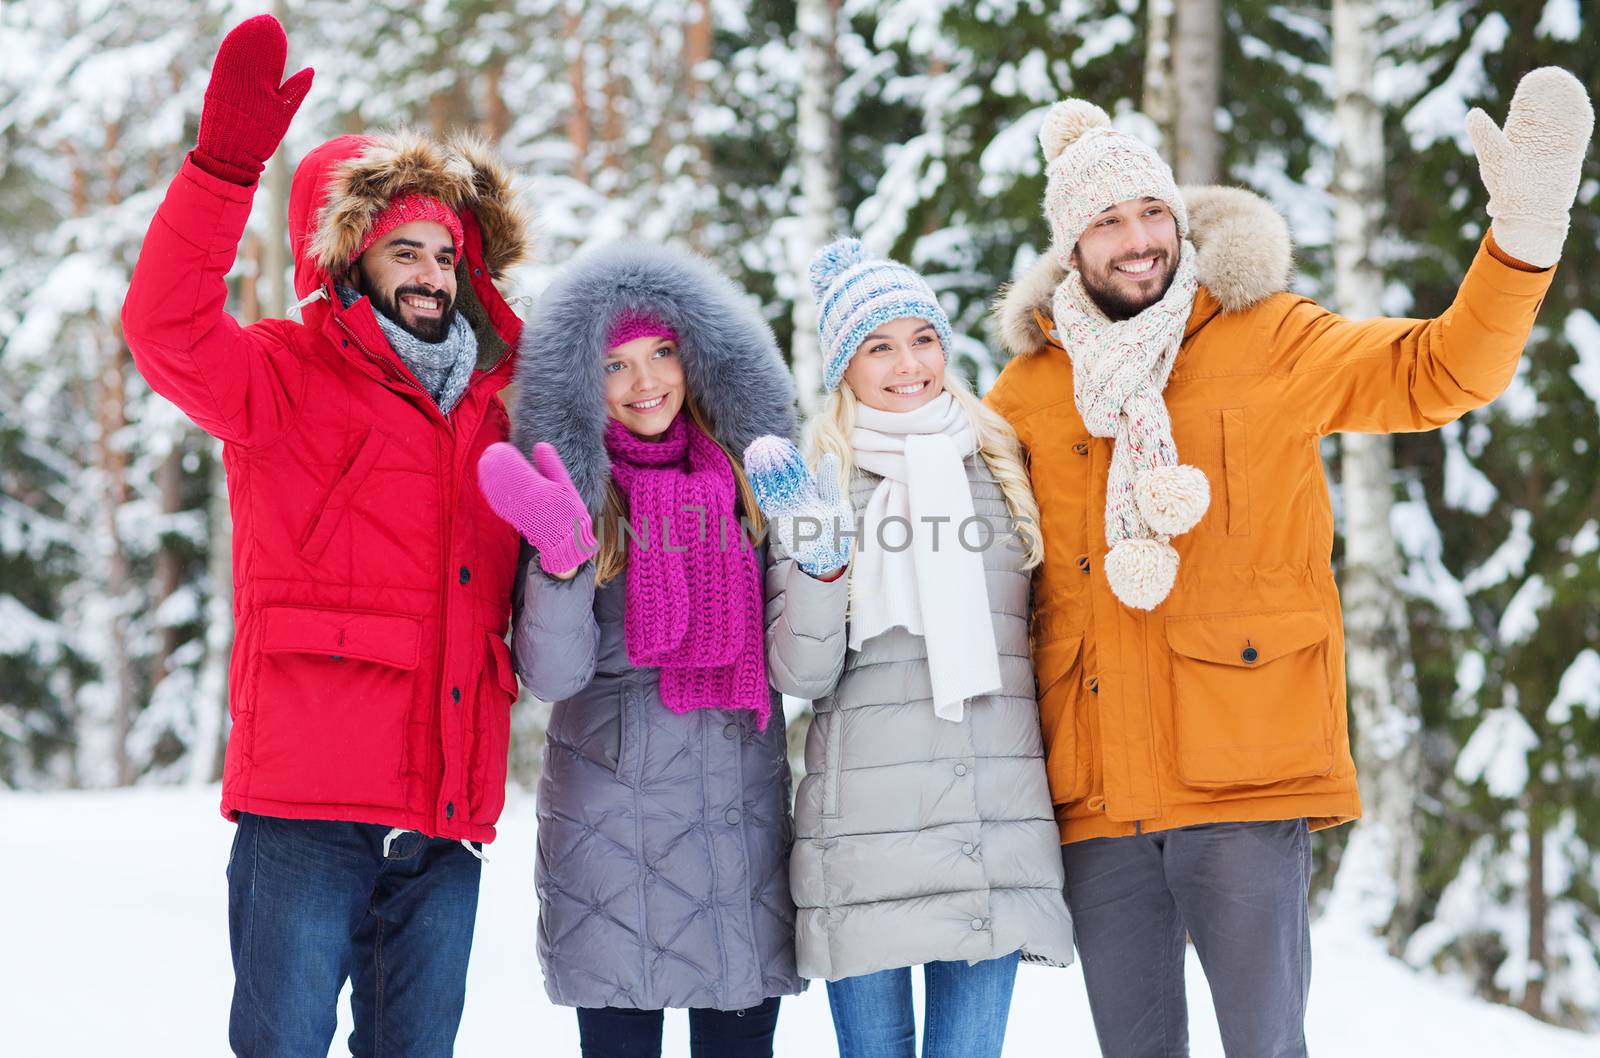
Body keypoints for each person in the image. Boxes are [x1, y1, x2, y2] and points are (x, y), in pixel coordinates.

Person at [983, 72, 1593, 1057]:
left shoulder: (1266, 336)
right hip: (1095, 798)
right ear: (1069, 246)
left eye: (1152, 210)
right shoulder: (1024, 392)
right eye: (1107, 220)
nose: (1139, 237)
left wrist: (1520, 239)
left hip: (1243, 775)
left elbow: (1438, 370)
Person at [120, 16, 531, 1057]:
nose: (434, 272)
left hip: (443, 815)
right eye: (407, 248)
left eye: (448, 251)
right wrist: (222, 173)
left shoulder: (501, 407)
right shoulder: (280, 373)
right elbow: (164, 331)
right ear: (350, 251)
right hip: (306, 808)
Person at [745, 239, 1075, 1058]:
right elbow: (800, 673)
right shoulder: (821, 479)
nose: (907, 364)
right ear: (843, 369)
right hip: (864, 840)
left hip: (988, 827)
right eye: (877, 346)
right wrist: (818, 562)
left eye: (921, 338)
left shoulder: (1001, 466)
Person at [475, 241, 802, 1058]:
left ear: (698, 359)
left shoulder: (748, 481)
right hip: (614, 830)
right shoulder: (572, 494)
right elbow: (553, 674)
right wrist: (560, 558)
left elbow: (798, 656)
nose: (646, 381)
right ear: (584, 381)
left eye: (661, 353)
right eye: (615, 365)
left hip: (740, 822)